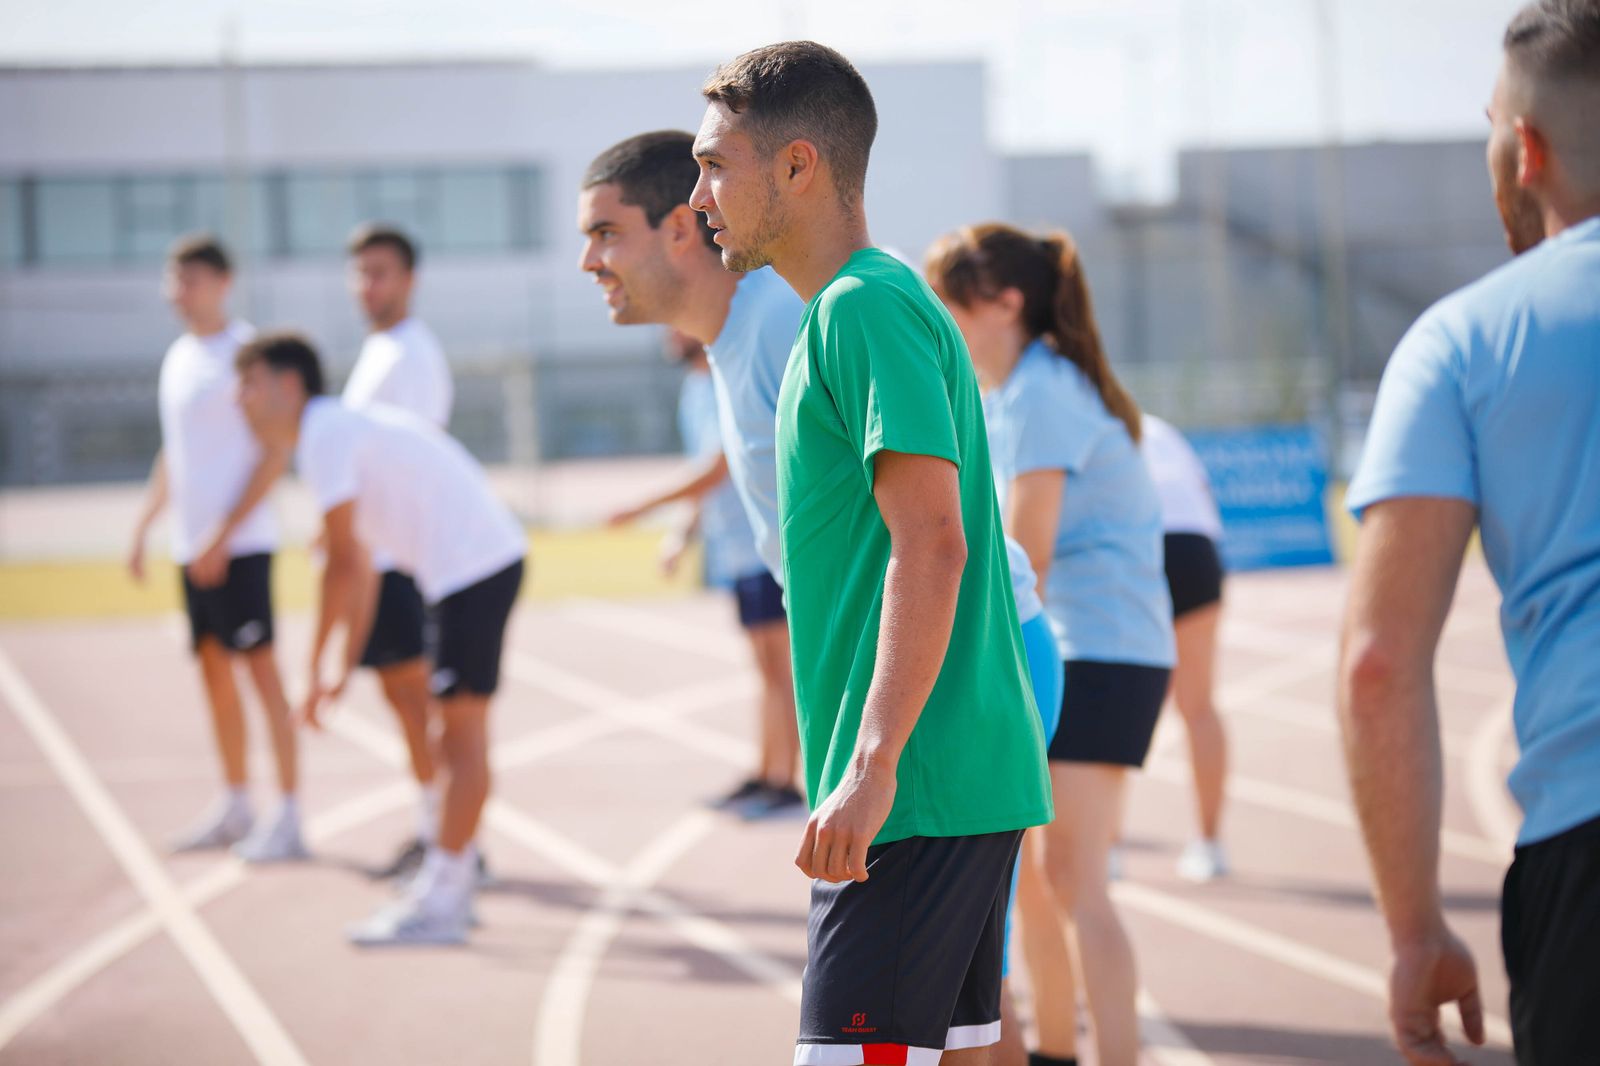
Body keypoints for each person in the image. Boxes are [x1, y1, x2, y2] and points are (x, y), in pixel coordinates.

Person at [691, 42, 1053, 1065]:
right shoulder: (843, 312)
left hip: (915, 792)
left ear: (797, 166)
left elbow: (933, 542)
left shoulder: (863, 306)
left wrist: (870, 763)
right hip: (937, 787)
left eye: (717, 164)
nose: (699, 194)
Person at [1337, 3, 1600, 1063]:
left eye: (1489, 122)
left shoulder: (1461, 342)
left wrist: (1414, 933)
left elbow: (1378, 663)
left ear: (1525, 147)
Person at [926, 222, 1174, 1066]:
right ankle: (1053, 1053)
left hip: (1097, 651)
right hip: (1083, 646)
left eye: (948, 305)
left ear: (1005, 304)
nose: (939, 323)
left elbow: (1025, 551)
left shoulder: (1042, 393)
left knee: (1075, 882)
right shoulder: (1014, 395)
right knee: (1031, 878)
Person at [235, 332, 525, 946]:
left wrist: (312, 670)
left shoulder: (324, 435)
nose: (240, 399)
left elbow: (340, 564)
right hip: (468, 570)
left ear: (290, 387)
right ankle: (450, 883)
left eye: (250, 383)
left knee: (460, 740)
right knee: (452, 739)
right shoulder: (337, 430)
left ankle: (446, 900)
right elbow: (363, 565)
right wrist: (338, 668)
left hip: (475, 566)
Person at [578, 129, 804, 815]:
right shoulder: (733, 346)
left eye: (607, 233)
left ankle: (779, 777)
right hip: (885, 715)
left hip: (937, 709)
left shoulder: (785, 322)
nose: (589, 261)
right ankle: (773, 775)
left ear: (679, 228)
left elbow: (924, 536)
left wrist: (877, 748)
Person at [126, 234, 305, 863]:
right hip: (189, 549)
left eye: (190, 281)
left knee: (262, 677)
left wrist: (223, 535)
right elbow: (174, 453)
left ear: (223, 283)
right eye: (172, 281)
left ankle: (289, 814)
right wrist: (145, 525)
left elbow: (274, 452)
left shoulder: (247, 355)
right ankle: (235, 804)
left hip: (243, 546)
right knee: (213, 677)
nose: (178, 293)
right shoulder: (178, 357)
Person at [606, 331, 805, 817]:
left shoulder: (725, 377)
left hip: (765, 542)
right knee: (764, 669)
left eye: (676, 325)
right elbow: (706, 477)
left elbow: (718, 469)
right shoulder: (693, 391)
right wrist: (682, 533)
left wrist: (641, 507)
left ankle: (787, 782)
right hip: (733, 549)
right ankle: (766, 773)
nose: (668, 333)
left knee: (781, 671)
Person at [339, 223, 467, 882]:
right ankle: (437, 826)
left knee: (422, 702)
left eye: (380, 272)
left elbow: (411, 461)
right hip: (379, 555)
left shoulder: (411, 354)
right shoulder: (379, 350)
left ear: (409, 279)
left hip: (404, 559)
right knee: (402, 698)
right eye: (360, 273)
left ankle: (451, 838)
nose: (368, 285)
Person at [1140, 414, 1230, 882]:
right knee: (1199, 706)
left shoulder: (1076, 413)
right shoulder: (1163, 428)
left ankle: (1105, 848)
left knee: (1115, 698)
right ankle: (1210, 844)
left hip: (1144, 546)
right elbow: (1204, 495)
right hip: (1199, 549)